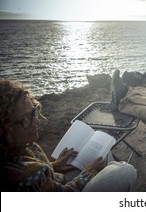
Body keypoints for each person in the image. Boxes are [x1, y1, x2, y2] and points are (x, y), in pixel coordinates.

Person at [0, 80, 137, 192]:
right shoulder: (25, 177)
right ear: (4, 130)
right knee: (125, 171)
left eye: (33, 112)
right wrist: (89, 171)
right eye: (25, 119)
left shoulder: (19, 147)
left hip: (56, 181)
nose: (36, 120)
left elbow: (43, 179)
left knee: (103, 154)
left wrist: (54, 166)